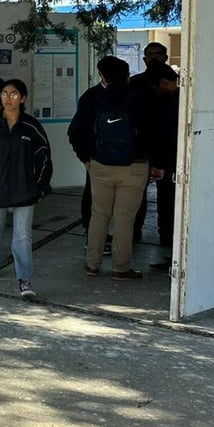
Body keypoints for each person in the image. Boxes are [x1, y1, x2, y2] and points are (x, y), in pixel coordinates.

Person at [67, 56, 161, 280]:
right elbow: (155, 132)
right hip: (135, 166)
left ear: (101, 75)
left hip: (100, 165)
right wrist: (156, 163)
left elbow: (75, 132)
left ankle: (92, 264)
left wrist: (86, 158)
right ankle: (121, 267)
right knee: (125, 218)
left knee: (99, 215)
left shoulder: (92, 97)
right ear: (127, 73)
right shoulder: (142, 96)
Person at [0, 79, 52, 300]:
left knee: (22, 236)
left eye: (13, 94)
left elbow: (44, 157)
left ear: (22, 98)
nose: (7, 97)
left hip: (25, 191)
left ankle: (24, 279)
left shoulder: (32, 127)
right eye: (4, 93)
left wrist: (40, 187)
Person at [129, 42, 170, 243]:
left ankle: (168, 236)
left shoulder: (176, 81)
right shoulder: (135, 82)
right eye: (149, 54)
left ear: (166, 57)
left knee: (169, 195)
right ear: (144, 59)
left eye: (157, 53)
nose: (153, 57)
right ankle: (135, 232)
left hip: (169, 146)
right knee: (136, 194)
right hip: (141, 146)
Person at [146, 64, 180, 272]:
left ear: (164, 83)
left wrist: (159, 165)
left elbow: (165, 138)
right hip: (175, 165)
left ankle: (172, 251)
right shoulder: (185, 99)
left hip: (169, 166)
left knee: (168, 207)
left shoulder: (169, 103)